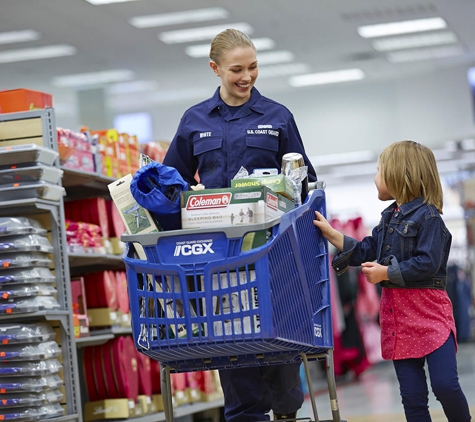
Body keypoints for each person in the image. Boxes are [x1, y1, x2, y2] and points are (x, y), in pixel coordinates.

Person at [163, 28, 316, 422]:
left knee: (281, 361)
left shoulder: (277, 117)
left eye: (253, 67)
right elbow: (171, 183)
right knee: (234, 355)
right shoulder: (194, 120)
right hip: (220, 259)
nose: (246, 77)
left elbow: (304, 182)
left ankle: (285, 412)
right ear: (215, 69)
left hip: (274, 252)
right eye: (236, 69)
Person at [313, 140, 471, 422]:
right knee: (412, 398)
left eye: (379, 170)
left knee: (445, 385)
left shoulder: (430, 218)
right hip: (399, 319)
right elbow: (365, 250)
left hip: (430, 315)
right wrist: (331, 233)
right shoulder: (388, 218)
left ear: (400, 173)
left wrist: (386, 274)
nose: (375, 176)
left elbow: (428, 263)